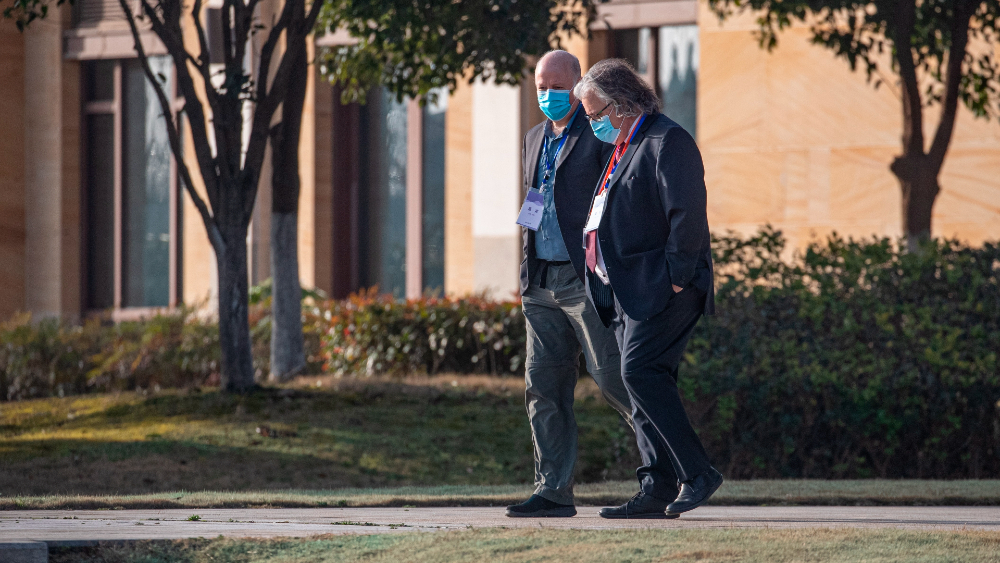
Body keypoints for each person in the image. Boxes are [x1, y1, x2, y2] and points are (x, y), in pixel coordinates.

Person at [573, 58, 723, 519]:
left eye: (597, 114)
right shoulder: (623, 145)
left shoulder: (666, 140)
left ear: (622, 105)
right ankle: (657, 486)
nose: (592, 122)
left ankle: (697, 473)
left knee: (640, 372)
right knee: (640, 384)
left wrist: (677, 276)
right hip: (622, 290)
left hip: (664, 285)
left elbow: (687, 213)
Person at [505, 50, 635, 518]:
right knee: (543, 388)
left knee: (614, 379)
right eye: (541, 86)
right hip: (540, 280)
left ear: (578, 85)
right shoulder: (534, 137)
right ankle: (552, 491)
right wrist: (524, 271)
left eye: (558, 87)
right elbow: (534, 201)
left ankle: (673, 470)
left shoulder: (600, 133)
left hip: (586, 280)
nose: (548, 95)